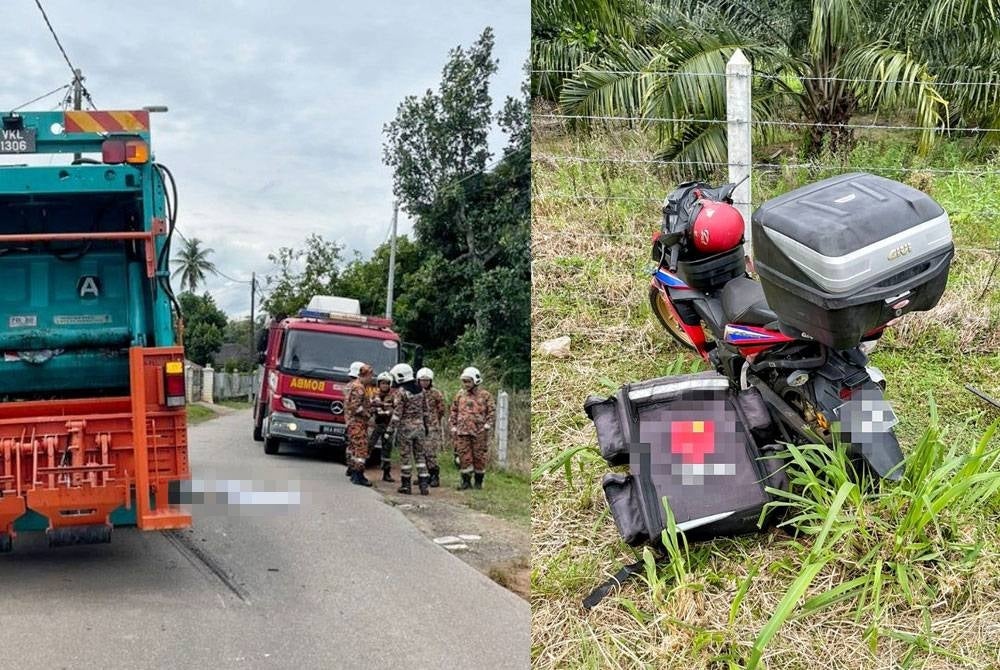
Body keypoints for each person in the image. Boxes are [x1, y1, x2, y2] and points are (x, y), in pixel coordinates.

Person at [449, 367, 495, 490]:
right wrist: (453, 425)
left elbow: (491, 411)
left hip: (479, 432)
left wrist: (487, 424)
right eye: (464, 381)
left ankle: (478, 483)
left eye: (468, 381)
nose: (466, 384)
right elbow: (453, 410)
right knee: (464, 456)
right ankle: (466, 482)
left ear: (475, 380)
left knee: (479, 456)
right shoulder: (460, 395)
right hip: (462, 431)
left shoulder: (485, 395)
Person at [388, 363, 430, 495]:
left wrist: (390, 430)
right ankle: (424, 485)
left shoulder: (401, 392)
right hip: (420, 428)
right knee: (420, 457)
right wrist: (426, 426)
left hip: (405, 429)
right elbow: (426, 411)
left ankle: (406, 486)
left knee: (406, 458)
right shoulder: (421, 391)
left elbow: (397, 414)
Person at [344, 361, 374, 487]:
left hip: (352, 422)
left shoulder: (352, 385)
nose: (371, 378)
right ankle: (358, 475)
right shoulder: (359, 388)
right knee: (361, 448)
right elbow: (355, 407)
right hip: (357, 422)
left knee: (353, 447)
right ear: (365, 375)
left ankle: (352, 470)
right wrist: (367, 414)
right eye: (370, 376)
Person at [416, 367, 446, 487]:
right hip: (419, 425)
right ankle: (424, 476)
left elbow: (441, 410)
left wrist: (434, 421)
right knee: (420, 452)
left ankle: (434, 475)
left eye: (427, 380)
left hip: (432, 426)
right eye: (422, 380)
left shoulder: (436, 393)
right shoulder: (416, 392)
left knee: (430, 452)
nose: (424, 382)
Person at [369, 372, 398, 482]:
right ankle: (359, 468)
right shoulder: (374, 395)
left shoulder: (394, 396)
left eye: (387, 383)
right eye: (382, 383)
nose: (384, 385)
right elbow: (371, 407)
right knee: (369, 446)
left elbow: (396, 409)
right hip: (376, 425)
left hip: (388, 426)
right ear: (378, 384)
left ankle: (386, 473)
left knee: (387, 449)